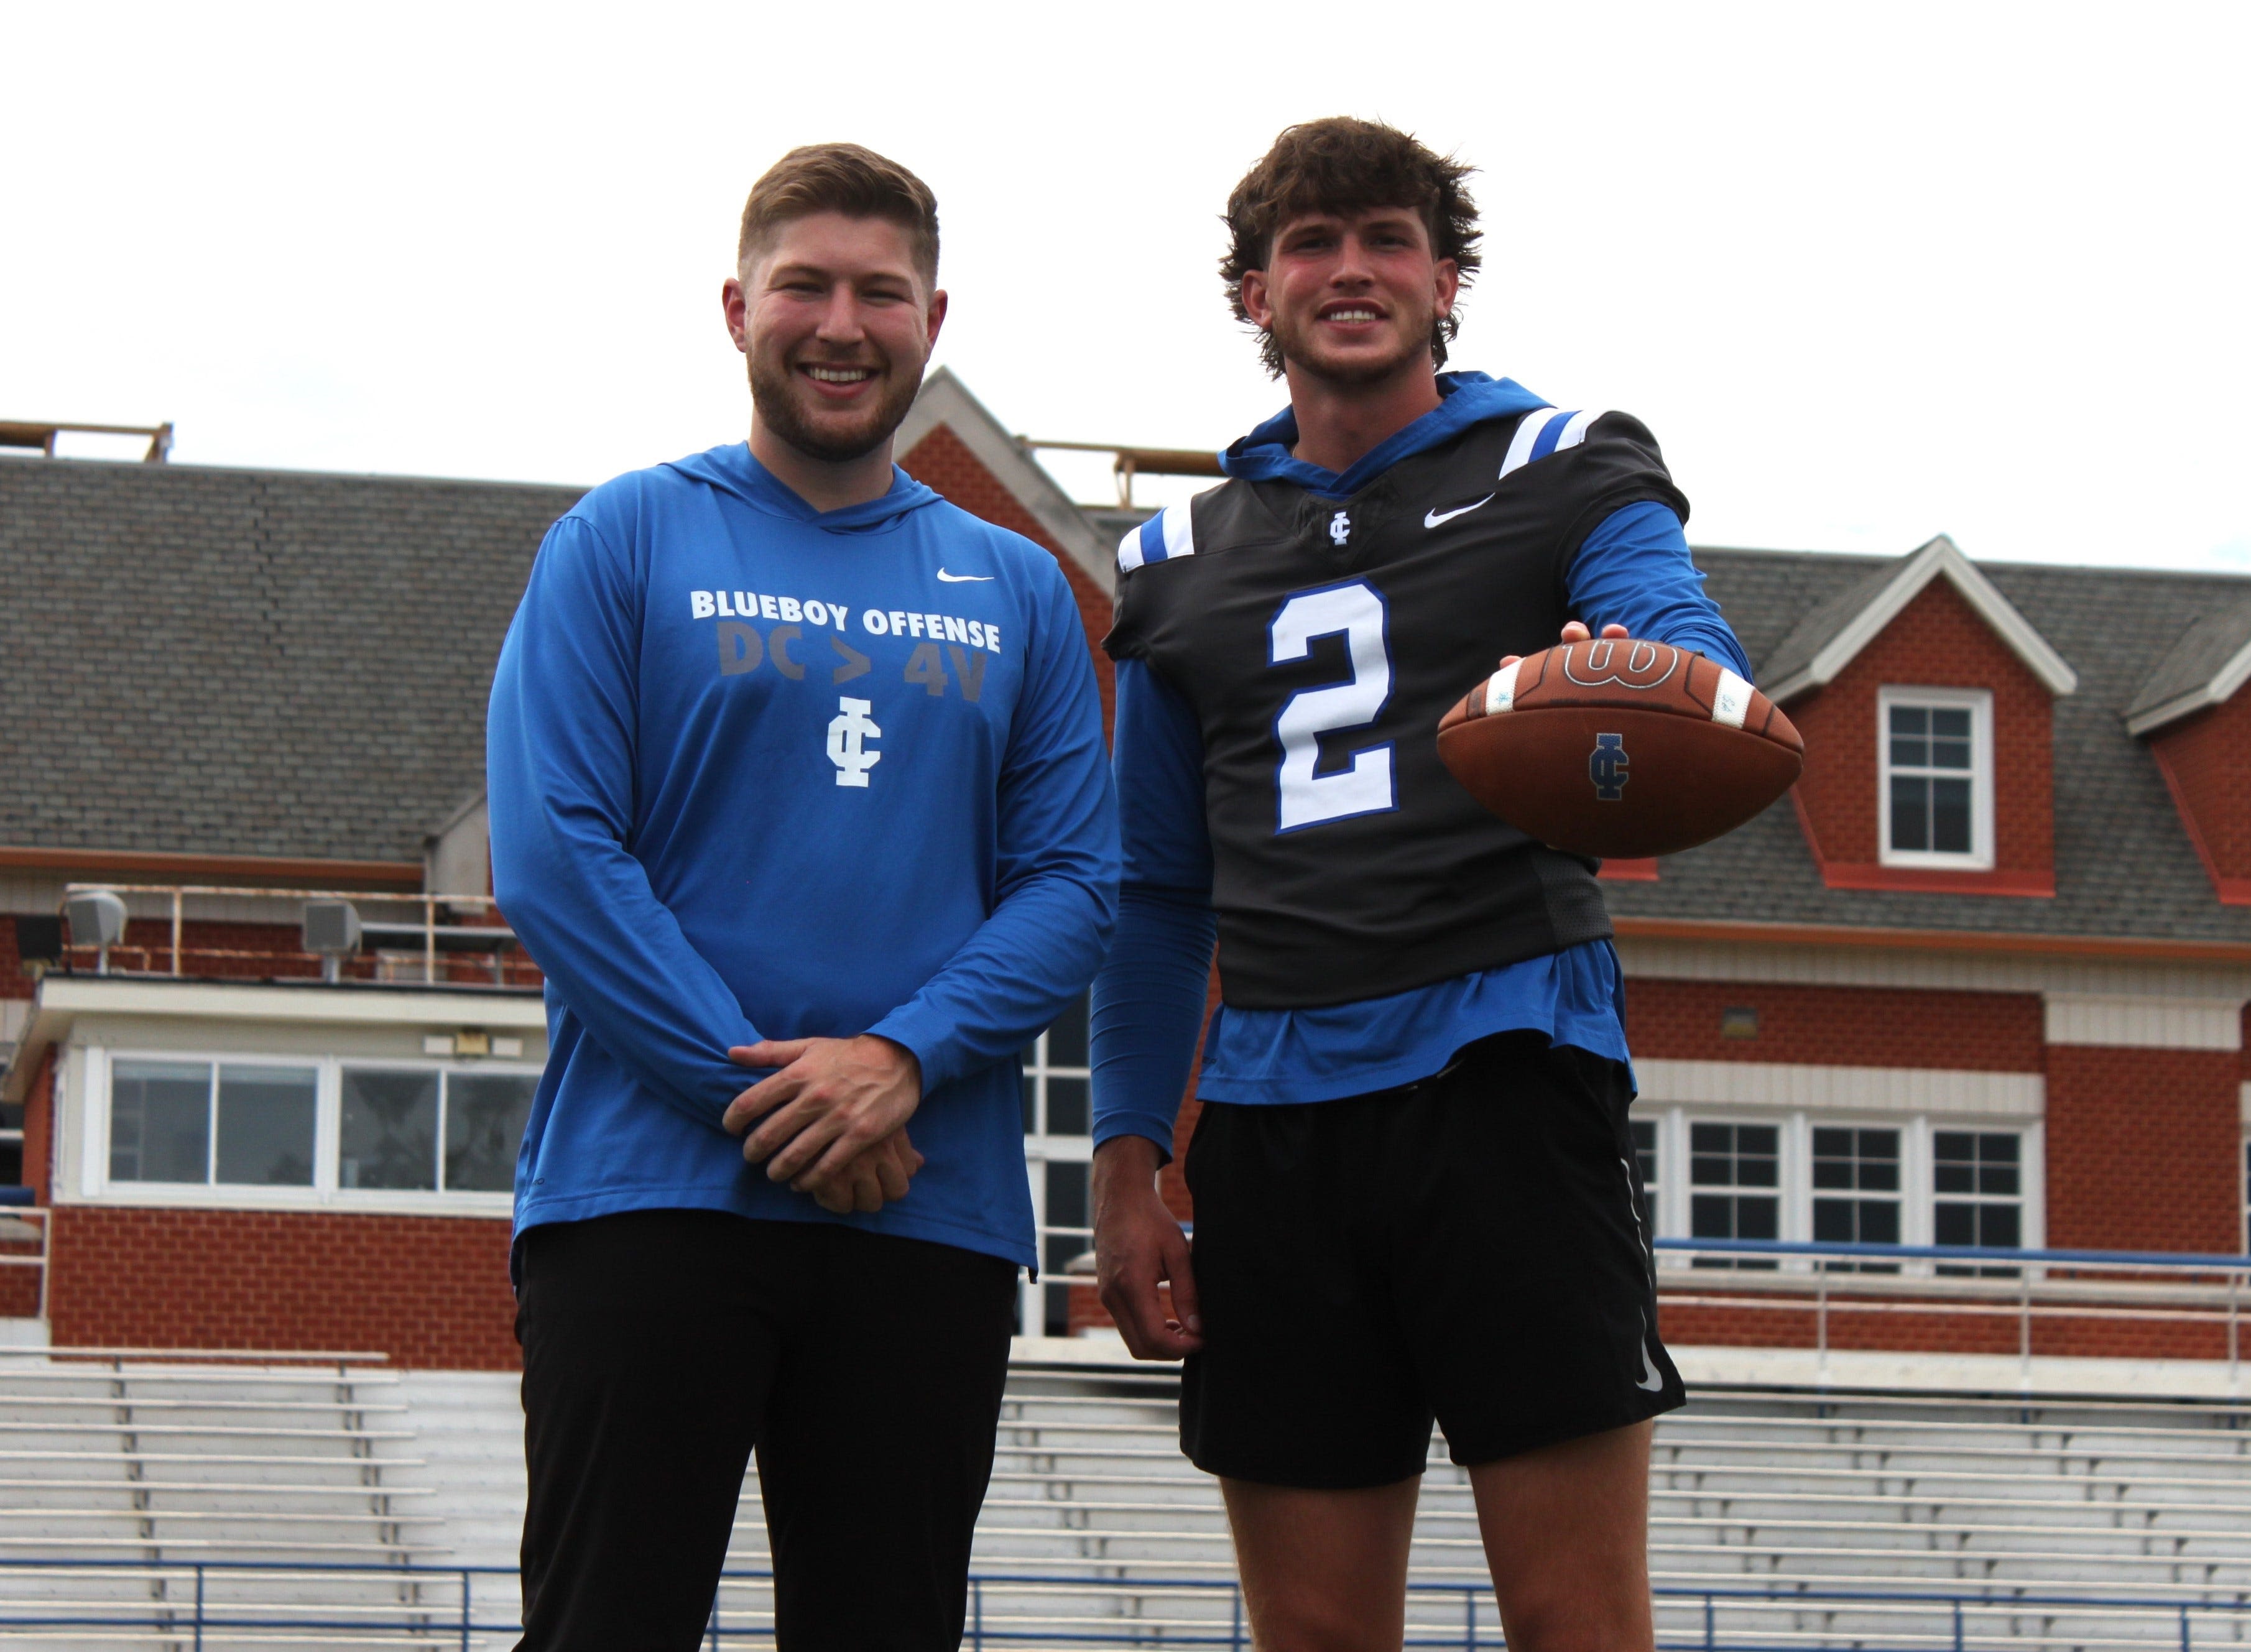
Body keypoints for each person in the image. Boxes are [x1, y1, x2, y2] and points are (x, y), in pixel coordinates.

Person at [1088, 117, 1753, 1652]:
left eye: (1386, 238)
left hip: (1504, 1073)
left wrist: (1640, 673)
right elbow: (1160, 891)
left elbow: (1683, 653)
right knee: (1312, 1638)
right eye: (1308, 245)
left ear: (1447, 278)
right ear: (1251, 294)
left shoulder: (1564, 459)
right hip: (1271, 1114)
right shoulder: (1175, 554)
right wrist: (1129, 1158)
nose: (1349, 270)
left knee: (1575, 1621)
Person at [487, 142, 1119, 1652]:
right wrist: (768, 1096)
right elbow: (558, 856)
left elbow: (1075, 884)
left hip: (926, 1207)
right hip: (648, 1196)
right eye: (806, 285)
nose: (843, 323)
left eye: (880, 293)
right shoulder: (622, 539)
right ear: (736, 307)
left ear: (932, 318)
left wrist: (894, 1066)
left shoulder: (1019, 587)